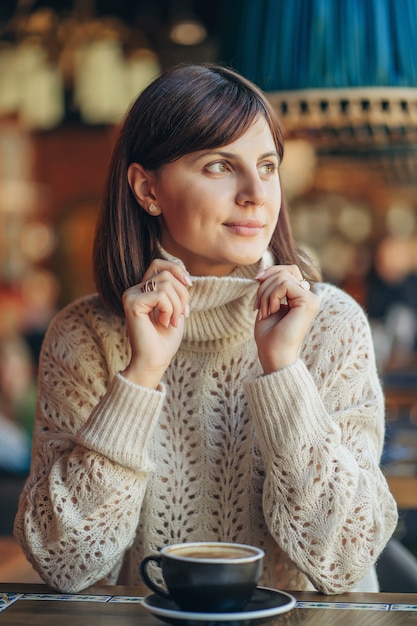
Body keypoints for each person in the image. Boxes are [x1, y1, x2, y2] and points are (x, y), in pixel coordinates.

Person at [15, 63, 398, 595]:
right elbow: (64, 562)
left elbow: (345, 558)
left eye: (267, 166)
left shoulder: (329, 324)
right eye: (220, 165)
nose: (255, 194)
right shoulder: (84, 335)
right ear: (147, 188)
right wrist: (140, 376)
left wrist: (284, 371)